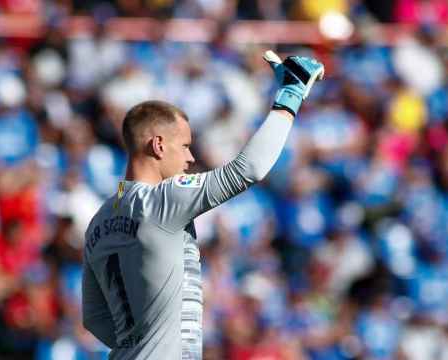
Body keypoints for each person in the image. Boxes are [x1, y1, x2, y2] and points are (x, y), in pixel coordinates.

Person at [81, 50, 324, 359]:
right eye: (184, 146)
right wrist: (290, 96)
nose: (190, 158)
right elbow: (247, 170)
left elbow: (94, 319)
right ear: (158, 145)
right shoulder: (163, 199)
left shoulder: (100, 218)